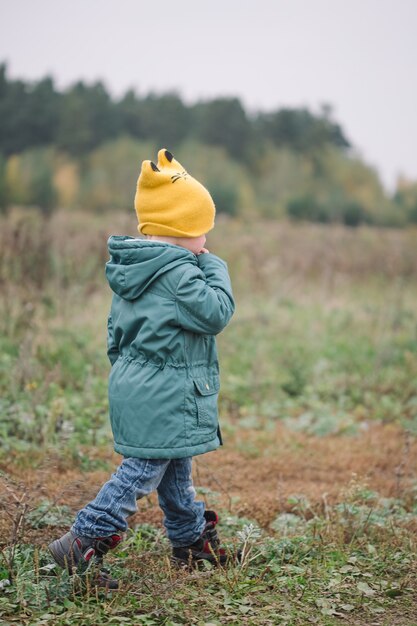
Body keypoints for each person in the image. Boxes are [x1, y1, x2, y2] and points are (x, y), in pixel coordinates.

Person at [48, 148, 235, 588]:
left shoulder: (136, 268)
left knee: (174, 468)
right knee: (141, 471)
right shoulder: (180, 274)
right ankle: (83, 542)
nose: (205, 243)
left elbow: (115, 333)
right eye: (200, 235)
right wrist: (215, 264)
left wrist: (131, 376)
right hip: (166, 392)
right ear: (177, 232)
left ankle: (189, 541)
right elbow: (216, 313)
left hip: (139, 385)